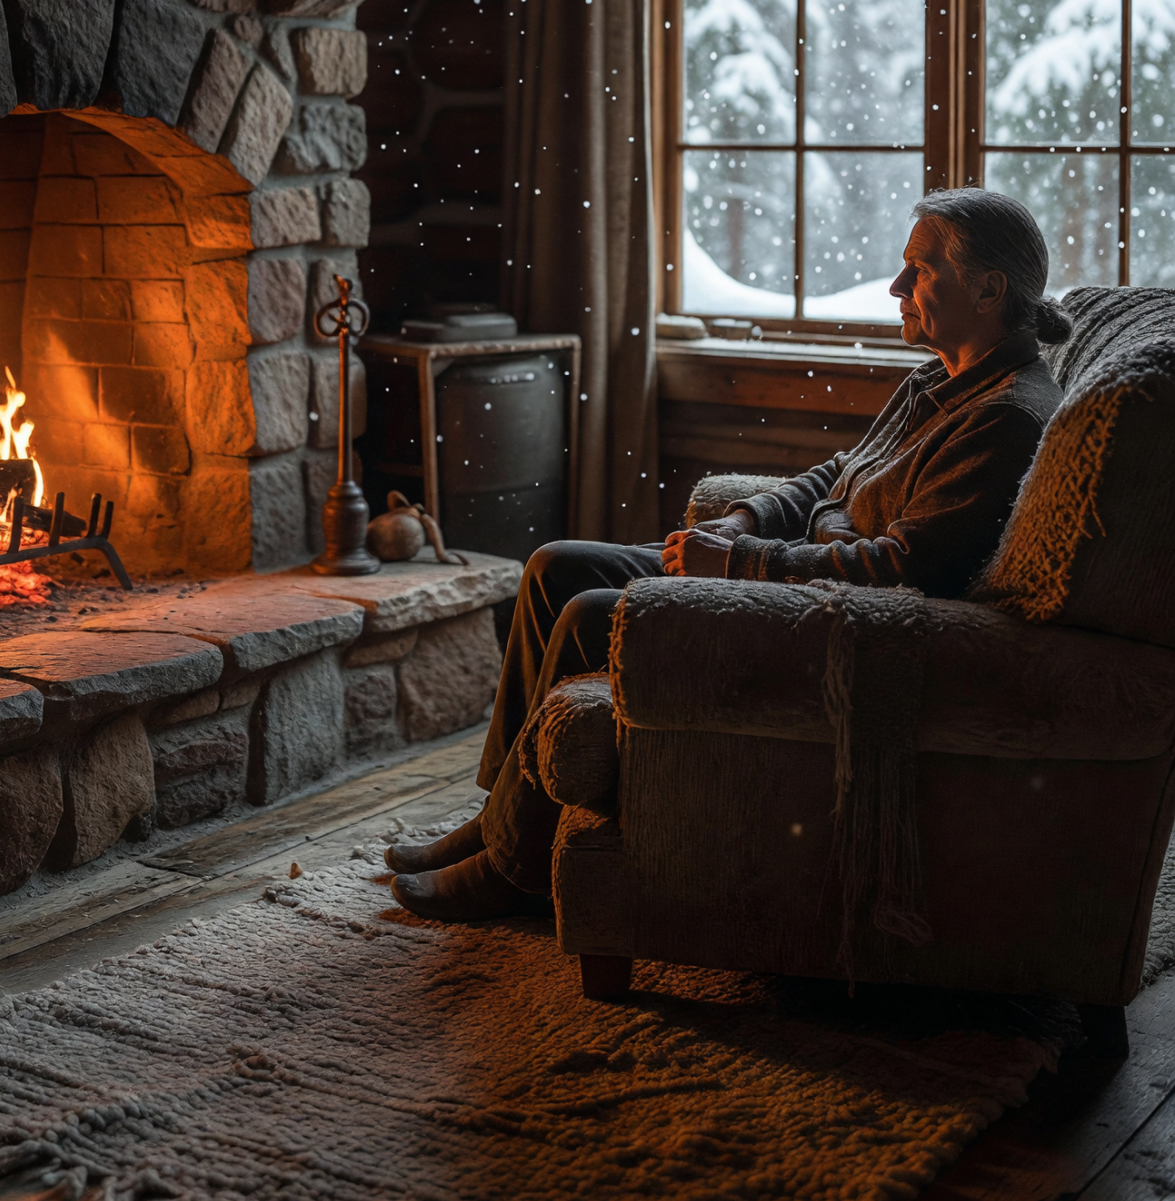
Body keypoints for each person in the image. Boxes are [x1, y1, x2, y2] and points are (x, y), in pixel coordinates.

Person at [389, 186, 1070, 925]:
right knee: (558, 565)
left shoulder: (1004, 417)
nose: (896, 287)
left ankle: (511, 867)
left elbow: (901, 571)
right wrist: (742, 520)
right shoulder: (941, 377)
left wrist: (744, 564)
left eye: (920, 269)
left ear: (989, 286)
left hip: (823, 619)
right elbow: (837, 474)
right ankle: (497, 817)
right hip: (782, 562)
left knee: (591, 615)